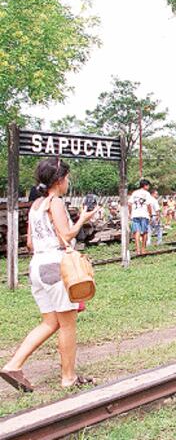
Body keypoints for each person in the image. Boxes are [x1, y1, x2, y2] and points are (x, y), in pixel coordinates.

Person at [1, 158, 98, 392]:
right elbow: (66, 234)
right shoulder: (55, 202)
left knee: (50, 322)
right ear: (59, 180)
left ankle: (13, 365)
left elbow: (31, 243)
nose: (68, 182)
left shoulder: (36, 205)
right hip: (56, 267)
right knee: (68, 325)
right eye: (67, 178)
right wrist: (83, 220)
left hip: (37, 267)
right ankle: (68, 377)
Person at [128, 179, 153, 255]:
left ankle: (138, 250)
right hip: (144, 214)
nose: (148, 187)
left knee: (137, 232)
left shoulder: (134, 193)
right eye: (148, 185)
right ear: (145, 185)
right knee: (144, 232)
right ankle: (143, 249)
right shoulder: (147, 193)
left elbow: (129, 203)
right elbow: (149, 205)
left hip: (135, 214)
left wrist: (130, 212)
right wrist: (150, 214)